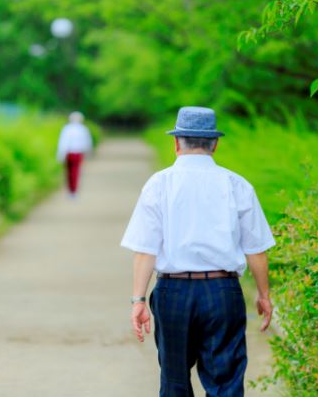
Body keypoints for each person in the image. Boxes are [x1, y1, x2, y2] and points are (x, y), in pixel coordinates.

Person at [121, 106, 275, 397]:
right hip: (223, 291)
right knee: (226, 381)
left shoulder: (159, 184)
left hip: (172, 292)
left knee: (174, 382)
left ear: (176, 143)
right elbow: (256, 250)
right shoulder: (236, 184)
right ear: (215, 144)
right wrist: (264, 295)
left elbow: (145, 249)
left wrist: (138, 299)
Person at [56, 111, 93, 197]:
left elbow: (63, 143)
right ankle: (73, 190)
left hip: (70, 153)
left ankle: (72, 190)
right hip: (77, 153)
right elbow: (87, 142)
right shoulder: (83, 129)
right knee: (75, 171)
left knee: (70, 172)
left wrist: (61, 154)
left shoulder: (67, 128)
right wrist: (88, 152)